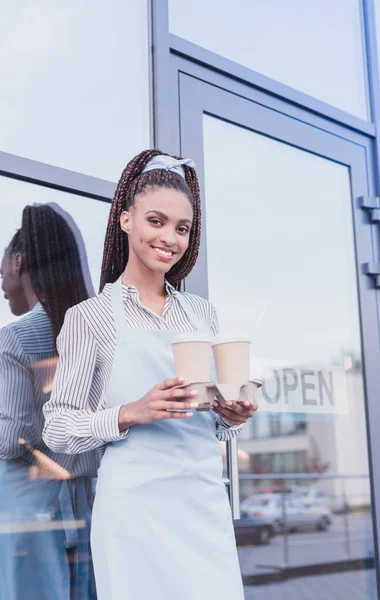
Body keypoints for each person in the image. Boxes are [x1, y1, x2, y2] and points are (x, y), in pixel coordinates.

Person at [43, 150, 258, 599]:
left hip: (202, 506)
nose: (170, 238)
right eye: (156, 221)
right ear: (125, 220)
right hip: (133, 513)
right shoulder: (91, 317)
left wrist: (230, 416)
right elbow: (58, 428)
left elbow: (208, 419)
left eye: (182, 228)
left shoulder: (202, 314)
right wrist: (128, 413)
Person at [0, 204, 97, 600]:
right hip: (84, 507)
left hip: (27, 513)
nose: (2, 279)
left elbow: (11, 442)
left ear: (19, 261)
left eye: (1, 266)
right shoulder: (91, 332)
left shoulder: (16, 338)